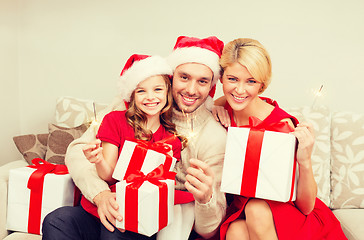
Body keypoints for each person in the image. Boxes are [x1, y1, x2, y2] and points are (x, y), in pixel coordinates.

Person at [42, 36, 227, 240]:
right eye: (184, 77)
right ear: (171, 78)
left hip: (160, 222)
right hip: (112, 203)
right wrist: (100, 195)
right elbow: (77, 152)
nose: (191, 90)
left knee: (117, 232)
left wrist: (205, 198)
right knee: (58, 221)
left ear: (211, 85)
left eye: (202, 81)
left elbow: (209, 229)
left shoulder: (214, 136)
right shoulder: (128, 108)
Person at [212, 38, 347, 240]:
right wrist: (210, 108)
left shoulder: (281, 126)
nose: (239, 90)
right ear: (221, 78)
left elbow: (306, 206)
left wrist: (305, 159)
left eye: (251, 81)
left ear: (262, 84)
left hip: (288, 214)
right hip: (243, 211)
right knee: (235, 231)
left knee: (256, 208)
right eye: (232, 79)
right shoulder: (223, 105)